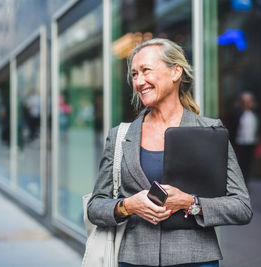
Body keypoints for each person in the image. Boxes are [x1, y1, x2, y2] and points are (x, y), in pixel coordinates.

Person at [87, 38, 252, 267]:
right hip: (134, 260)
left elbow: (242, 207)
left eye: (146, 70)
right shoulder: (120, 136)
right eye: (134, 74)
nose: (139, 81)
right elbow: (95, 207)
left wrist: (190, 202)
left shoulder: (210, 131)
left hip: (196, 260)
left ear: (176, 72)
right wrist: (128, 206)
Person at [228, 92, 261, 185]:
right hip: (240, 142)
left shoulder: (255, 115)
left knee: (248, 164)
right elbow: (231, 128)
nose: (247, 103)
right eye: (245, 101)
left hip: (251, 142)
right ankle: (240, 183)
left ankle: (246, 182)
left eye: (249, 101)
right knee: (240, 164)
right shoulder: (236, 114)